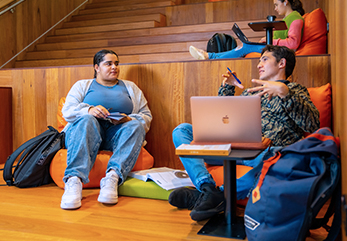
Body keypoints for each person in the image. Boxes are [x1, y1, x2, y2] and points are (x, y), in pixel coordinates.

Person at [169, 45, 320, 221]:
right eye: (259, 61)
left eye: (264, 59)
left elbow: (312, 124)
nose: (259, 65)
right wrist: (228, 88)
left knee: (262, 175)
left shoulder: (295, 90)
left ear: (282, 63)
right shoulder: (251, 92)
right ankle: (207, 188)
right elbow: (223, 118)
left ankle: (211, 197)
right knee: (182, 130)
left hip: (268, 152)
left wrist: (284, 93)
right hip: (236, 146)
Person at [60, 49, 152, 210]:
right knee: (87, 119)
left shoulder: (130, 87)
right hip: (85, 133)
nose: (114, 67)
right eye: (108, 63)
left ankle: (112, 177)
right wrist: (88, 110)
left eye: (116, 63)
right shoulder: (82, 85)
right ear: (96, 67)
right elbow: (67, 111)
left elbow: (146, 115)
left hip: (115, 136)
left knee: (136, 125)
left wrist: (130, 119)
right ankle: (74, 180)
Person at [189, 0, 305, 60]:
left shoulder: (295, 17)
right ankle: (210, 55)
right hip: (275, 48)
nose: (275, 8)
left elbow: (294, 43)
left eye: (276, 5)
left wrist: (270, 41)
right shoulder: (287, 18)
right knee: (244, 46)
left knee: (245, 47)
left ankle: (210, 56)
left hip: (282, 52)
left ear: (285, 2)